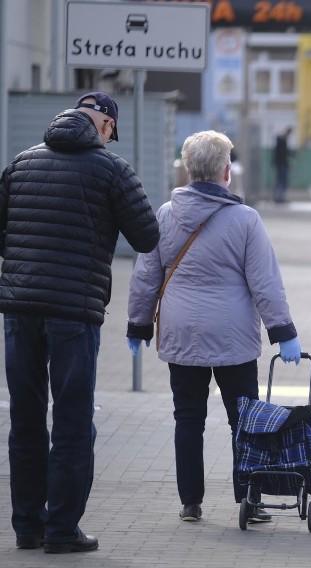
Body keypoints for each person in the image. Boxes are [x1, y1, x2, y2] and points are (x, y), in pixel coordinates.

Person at [0, 92, 160, 553]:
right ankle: (61, 530)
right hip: (74, 312)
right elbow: (147, 237)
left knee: (25, 419)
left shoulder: (21, 162)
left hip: (20, 309)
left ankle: (27, 525)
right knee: (72, 421)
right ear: (105, 126)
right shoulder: (111, 169)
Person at [126, 130, 302, 523]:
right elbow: (265, 282)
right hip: (232, 336)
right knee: (244, 419)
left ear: (188, 170)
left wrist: (137, 325)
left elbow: (145, 276)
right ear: (226, 171)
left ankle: (190, 502)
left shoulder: (167, 214)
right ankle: (250, 500)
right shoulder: (245, 219)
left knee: (187, 417)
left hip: (181, 331)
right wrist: (284, 332)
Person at [273, 126, 293, 203]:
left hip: (280, 163)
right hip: (282, 164)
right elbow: (284, 154)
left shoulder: (280, 140)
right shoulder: (283, 140)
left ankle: (277, 197)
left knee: (279, 181)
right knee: (282, 181)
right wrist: (288, 164)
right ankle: (279, 197)